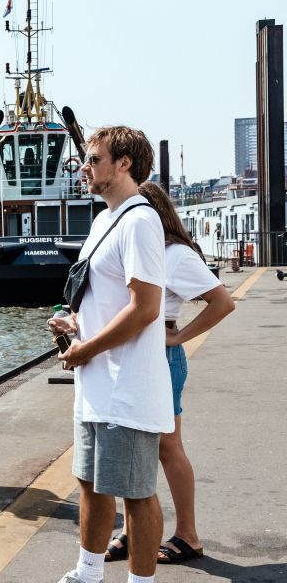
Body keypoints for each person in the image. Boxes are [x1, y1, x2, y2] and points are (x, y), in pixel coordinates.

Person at [48, 127, 174, 583]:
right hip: (96, 382)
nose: (85, 166)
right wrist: (74, 323)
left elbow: (146, 308)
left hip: (128, 386)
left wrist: (86, 349)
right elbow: (105, 298)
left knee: (136, 494)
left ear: (124, 164)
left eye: (94, 158)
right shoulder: (105, 220)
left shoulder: (141, 221)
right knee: (89, 483)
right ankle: (88, 571)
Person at [103, 182, 235, 566]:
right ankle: (133, 529)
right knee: (135, 445)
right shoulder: (139, 250)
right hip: (131, 357)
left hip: (160, 357)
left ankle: (189, 536)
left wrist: (178, 339)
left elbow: (222, 301)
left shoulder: (175, 254)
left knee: (166, 447)